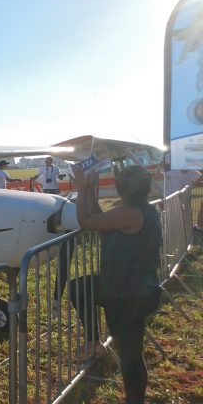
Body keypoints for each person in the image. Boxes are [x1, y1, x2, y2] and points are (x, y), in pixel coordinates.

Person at [72, 164, 162, 404]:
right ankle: (94, 341)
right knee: (79, 287)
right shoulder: (141, 211)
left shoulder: (130, 213)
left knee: (131, 357)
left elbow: (86, 221)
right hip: (135, 290)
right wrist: (90, 190)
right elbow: (100, 218)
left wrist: (80, 189)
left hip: (127, 295)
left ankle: (135, 400)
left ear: (121, 188)